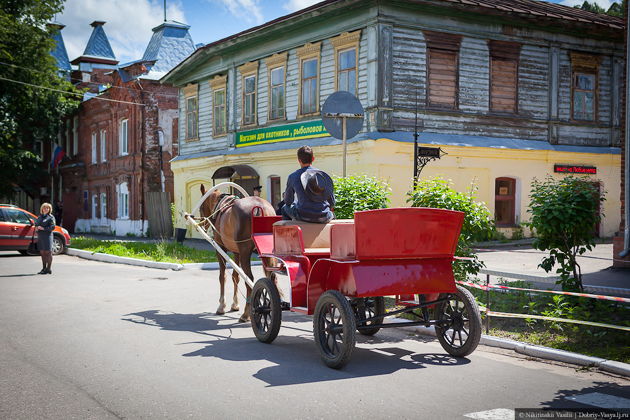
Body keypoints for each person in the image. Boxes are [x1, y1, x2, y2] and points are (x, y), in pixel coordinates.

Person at [281, 145, 335, 223]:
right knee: (332, 214)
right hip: (324, 216)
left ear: (299, 160)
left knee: (284, 208)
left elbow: (288, 201)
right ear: (313, 159)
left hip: (303, 216)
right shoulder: (322, 175)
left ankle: (289, 233)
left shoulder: (292, 176)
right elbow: (332, 202)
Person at [36, 202, 56, 274]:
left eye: (47, 208)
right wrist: (36, 228)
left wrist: (43, 228)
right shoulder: (40, 216)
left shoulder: (51, 217)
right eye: (44, 208)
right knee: (42, 252)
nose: (46, 209)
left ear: (49, 209)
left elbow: (53, 227)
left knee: (48, 252)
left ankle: (49, 269)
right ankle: (44, 268)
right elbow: (36, 224)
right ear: (42, 209)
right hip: (41, 236)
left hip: (48, 236)